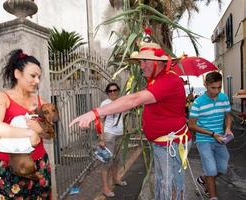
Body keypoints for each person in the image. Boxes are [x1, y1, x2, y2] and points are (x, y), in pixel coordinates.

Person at [70, 42, 192, 200]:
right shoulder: (157, 80)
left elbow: (134, 99)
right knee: (163, 183)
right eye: (141, 62)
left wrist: (95, 112)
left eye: (146, 61)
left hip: (171, 145)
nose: (142, 66)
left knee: (170, 186)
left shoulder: (169, 81)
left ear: (160, 62)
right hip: (164, 144)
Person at [0, 49, 51, 199]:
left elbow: (49, 134)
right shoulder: (3, 97)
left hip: (40, 164)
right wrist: (29, 133)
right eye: (33, 76)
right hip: (11, 168)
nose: (37, 81)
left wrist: (40, 130)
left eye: (39, 77)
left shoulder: (40, 102)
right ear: (17, 74)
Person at [188, 71, 232, 200]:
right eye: (213, 88)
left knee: (222, 168)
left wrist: (228, 128)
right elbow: (191, 125)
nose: (217, 91)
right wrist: (212, 134)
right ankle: (213, 196)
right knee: (211, 171)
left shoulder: (223, 98)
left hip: (220, 140)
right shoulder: (198, 103)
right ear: (206, 85)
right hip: (204, 140)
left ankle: (203, 179)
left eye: (219, 87)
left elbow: (228, 115)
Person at [98, 82, 126, 198]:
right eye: (110, 91)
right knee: (106, 162)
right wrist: (101, 138)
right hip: (108, 136)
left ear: (118, 91)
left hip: (119, 135)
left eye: (115, 90)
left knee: (117, 160)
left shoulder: (121, 102)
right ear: (107, 93)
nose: (113, 92)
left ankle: (116, 179)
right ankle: (105, 188)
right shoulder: (105, 104)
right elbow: (100, 121)